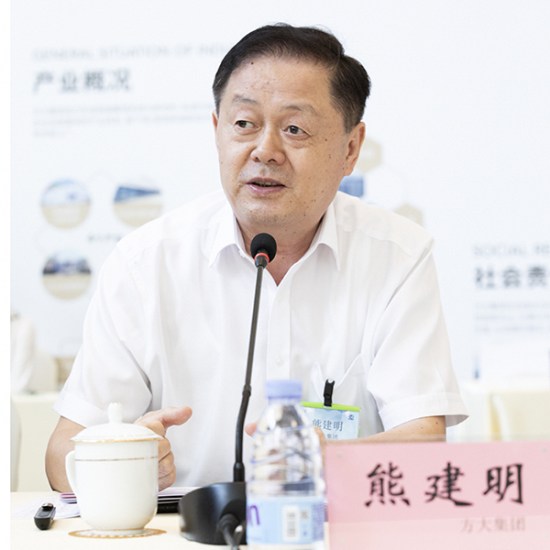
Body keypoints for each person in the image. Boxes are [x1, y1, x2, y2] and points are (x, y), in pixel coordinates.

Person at [46, 23, 468, 492]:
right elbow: (63, 453)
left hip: (334, 525)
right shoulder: (145, 263)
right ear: (217, 131)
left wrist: (329, 462)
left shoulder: (397, 256)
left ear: (350, 149)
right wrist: (120, 460)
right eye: (244, 124)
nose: (265, 151)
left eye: (294, 129)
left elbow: (423, 440)